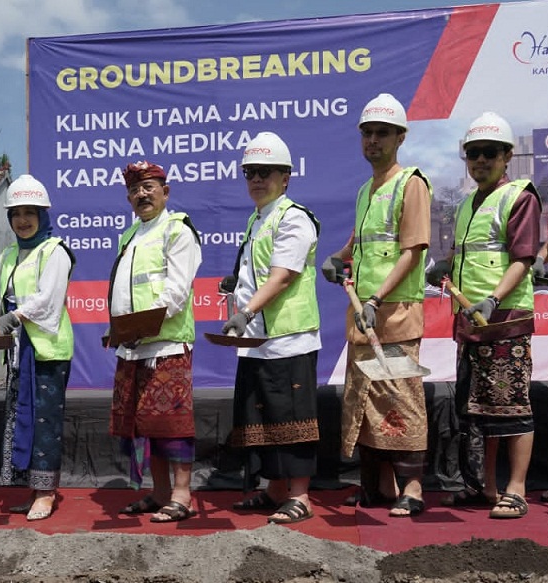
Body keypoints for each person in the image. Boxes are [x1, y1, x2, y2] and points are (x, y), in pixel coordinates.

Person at [321, 93, 433, 518]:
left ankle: (414, 488)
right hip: (363, 315)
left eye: (381, 133)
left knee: (400, 397)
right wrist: (339, 257)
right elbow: (361, 242)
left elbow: (412, 251)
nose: (372, 140)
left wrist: (376, 298)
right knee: (366, 398)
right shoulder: (368, 189)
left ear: (400, 137)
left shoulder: (412, 183)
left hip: (395, 313)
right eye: (367, 133)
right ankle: (378, 487)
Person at [426, 112, 541, 518]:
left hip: (505, 319)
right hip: (470, 323)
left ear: (507, 155)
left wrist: (492, 299)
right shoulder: (465, 205)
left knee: (512, 405)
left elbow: (523, 258)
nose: (479, 161)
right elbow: (466, 255)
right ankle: (485, 488)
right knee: (477, 409)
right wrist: (445, 266)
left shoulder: (520, 196)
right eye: (472, 154)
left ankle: (517, 488)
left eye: (489, 153)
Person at [222, 132, 321, 524]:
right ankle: (275, 490)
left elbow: (281, 277)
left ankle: (300, 497)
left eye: (265, 172)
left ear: (286, 178)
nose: (257, 180)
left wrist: (244, 311)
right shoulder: (258, 219)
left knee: (292, 419)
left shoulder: (294, 217)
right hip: (257, 340)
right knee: (260, 418)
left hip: (288, 339)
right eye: (250, 173)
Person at [108, 160, 203, 523]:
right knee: (146, 425)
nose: (141, 194)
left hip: (166, 344)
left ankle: (182, 496)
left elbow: (176, 290)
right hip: (132, 345)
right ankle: (160, 492)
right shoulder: (130, 235)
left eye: (149, 186)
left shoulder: (178, 230)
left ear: (166, 191)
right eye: (134, 189)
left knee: (172, 425)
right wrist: (119, 328)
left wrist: (141, 324)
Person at [0, 174, 75, 521]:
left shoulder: (55, 251)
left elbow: (48, 300)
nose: (22, 220)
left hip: (47, 352)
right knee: (22, 418)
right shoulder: (9, 253)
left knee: (45, 420)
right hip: (19, 352)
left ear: (43, 214)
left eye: (30, 212)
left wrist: (16, 316)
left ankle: (47, 492)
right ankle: (32, 488)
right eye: (16, 213)